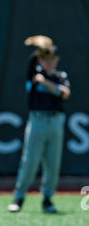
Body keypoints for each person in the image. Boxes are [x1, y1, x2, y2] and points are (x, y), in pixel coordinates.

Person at [8, 37, 71, 214]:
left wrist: (44, 81)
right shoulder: (32, 75)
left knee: (53, 163)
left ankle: (48, 199)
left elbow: (65, 94)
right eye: (45, 58)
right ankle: (19, 197)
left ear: (56, 60)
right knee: (30, 162)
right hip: (37, 121)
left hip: (55, 121)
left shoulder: (59, 77)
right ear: (40, 60)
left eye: (52, 59)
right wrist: (39, 49)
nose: (49, 62)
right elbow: (31, 65)